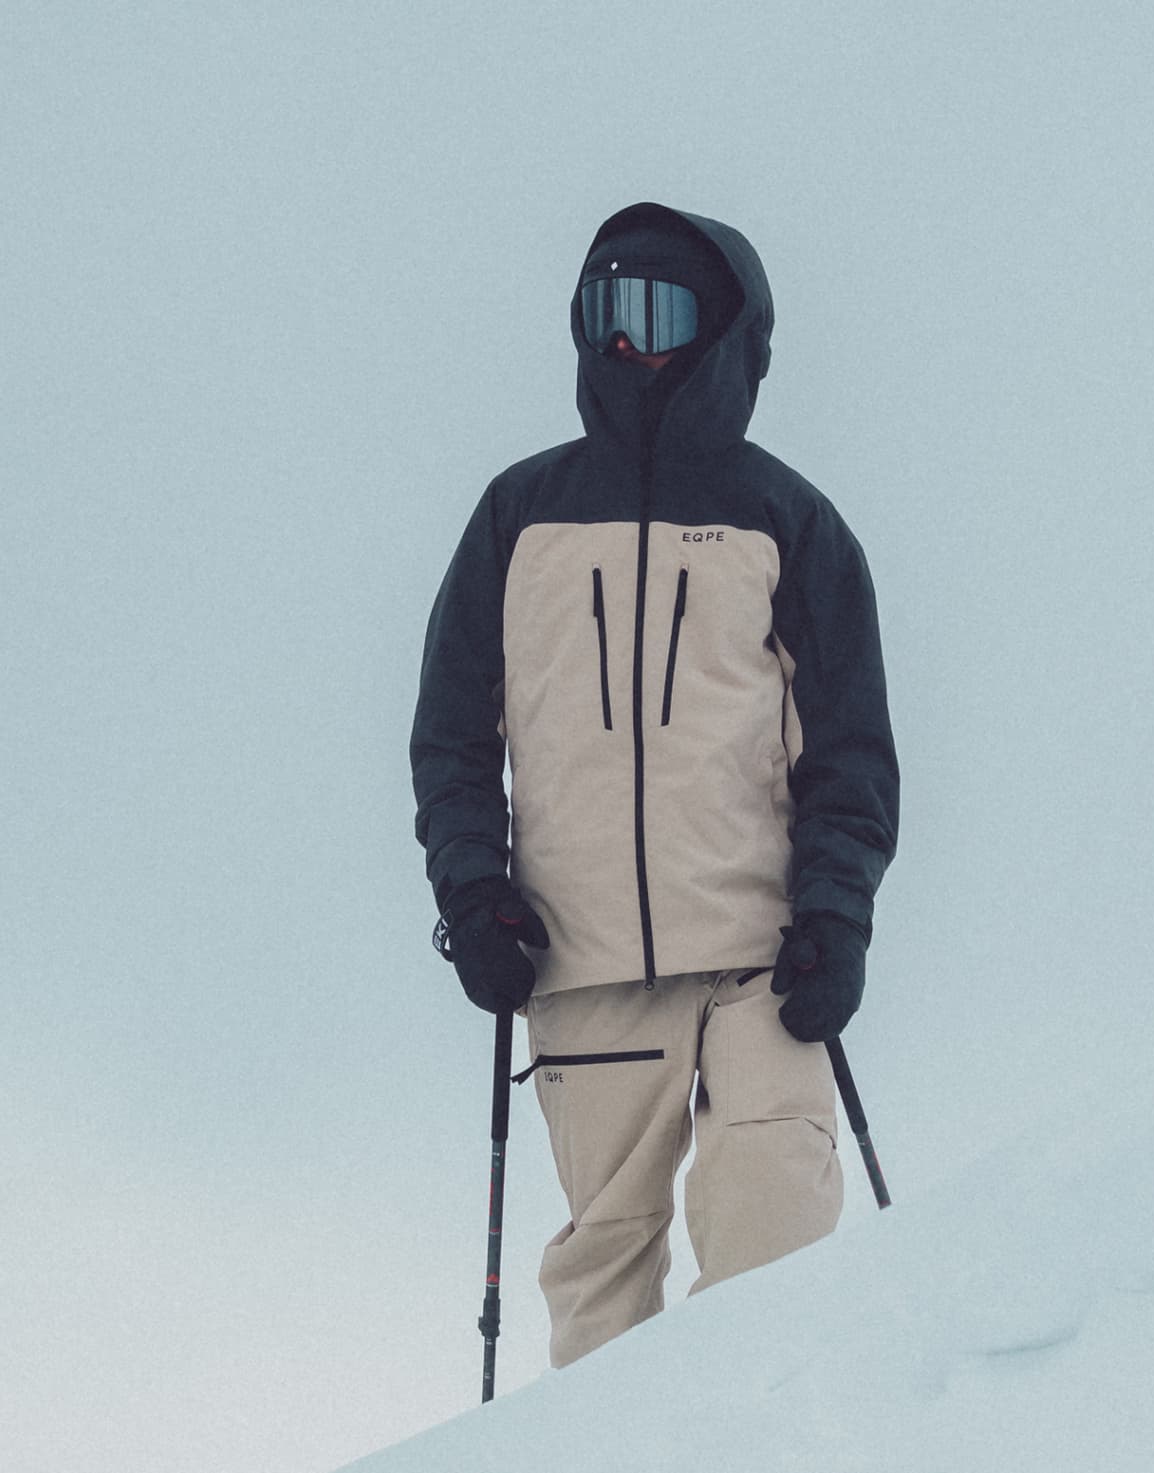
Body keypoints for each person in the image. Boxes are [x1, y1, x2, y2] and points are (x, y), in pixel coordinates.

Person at [409, 202, 899, 1368]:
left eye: (660, 312)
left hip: (761, 960)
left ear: (725, 332)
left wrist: (836, 912)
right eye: (605, 312)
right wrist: (475, 896)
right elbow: (451, 741)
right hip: (579, 965)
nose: (629, 345)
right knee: (604, 1277)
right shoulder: (517, 518)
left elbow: (851, 753)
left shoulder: (788, 523)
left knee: (773, 1235)